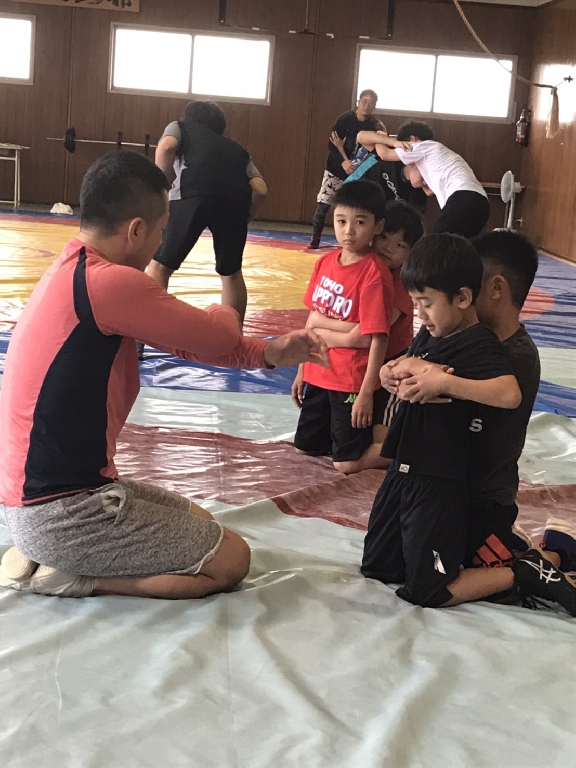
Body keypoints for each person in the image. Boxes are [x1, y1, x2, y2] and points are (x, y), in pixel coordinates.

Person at [0, 151, 328, 601]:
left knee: (203, 524)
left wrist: (269, 353)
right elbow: (216, 335)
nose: (161, 244)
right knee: (232, 559)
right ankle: (75, 577)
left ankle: (56, 555)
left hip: (53, 497)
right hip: (62, 512)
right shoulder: (109, 282)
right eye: (160, 231)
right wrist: (224, 308)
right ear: (136, 230)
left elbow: (189, 343)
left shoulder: (72, 269)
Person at [379, 229, 576, 613]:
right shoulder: (452, 334)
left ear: (493, 288)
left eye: (467, 285)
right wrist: (396, 370)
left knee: (438, 581)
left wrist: (438, 379)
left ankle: (539, 560)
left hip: (476, 499)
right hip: (439, 489)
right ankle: (528, 549)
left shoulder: (513, 357)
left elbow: (500, 395)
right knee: (392, 565)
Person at [361, 233, 524, 608]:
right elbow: (408, 360)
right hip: (403, 468)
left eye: (427, 304)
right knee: (378, 567)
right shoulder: (429, 333)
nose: (420, 314)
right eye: (415, 303)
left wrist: (446, 382)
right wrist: (388, 372)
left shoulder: (478, 341)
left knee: (427, 590)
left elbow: (509, 393)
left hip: (437, 479)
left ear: (463, 298)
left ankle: (522, 572)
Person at [292, 180, 394, 475]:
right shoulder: (325, 263)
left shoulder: (373, 273)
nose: (348, 231)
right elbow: (311, 319)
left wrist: (366, 392)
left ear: (377, 226)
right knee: (306, 446)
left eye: (360, 222)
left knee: (346, 463)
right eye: (341, 221)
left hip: (350, 381)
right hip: (319, 372)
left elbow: (376, 338)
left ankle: (406, 448)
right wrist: (301, 370)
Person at [307, 200, 424, 434]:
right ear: (375, 231)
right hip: (355, 361)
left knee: (373, 432)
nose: (388, 248)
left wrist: (320, 328)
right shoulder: (358, 267)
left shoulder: (400, 283)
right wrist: (319, 327)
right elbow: (316, 319)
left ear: (410, 252)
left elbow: (364, 334)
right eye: (384, 239)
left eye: (400, 245)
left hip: (389, 363)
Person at [147, 100, 268, 322]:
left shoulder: (180, 127)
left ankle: (148, 329)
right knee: (231, 273)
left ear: (188, 117)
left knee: (160, 265)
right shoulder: (238, 150)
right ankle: (234, 335)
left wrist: (161, 187)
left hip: (192, 193)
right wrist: (245, 216)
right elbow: (261, 190)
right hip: (235, 201)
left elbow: (166, 147)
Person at [357, 120, 490, 238]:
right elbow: (429, 191)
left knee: (434, 243)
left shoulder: (423, 146)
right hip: (480, 205)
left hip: (464, 198)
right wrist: (387, 140)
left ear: (413, 139)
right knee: (456, 247)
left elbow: (385, 154)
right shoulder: (436, 159)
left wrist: (383, 136)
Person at [309, 89, 382, 249]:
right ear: (358, 102)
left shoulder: (375, 125)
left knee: (353, 208)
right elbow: (332, 144)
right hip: (335, 169)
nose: (367, 105)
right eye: (364, 101)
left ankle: (353, 239)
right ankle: (315, 240)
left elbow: (376, 151)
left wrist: (358, 167)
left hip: (357, 172)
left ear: (375, 106)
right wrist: (343, 161)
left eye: (371, 103)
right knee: (324, 204)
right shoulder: (345, 119)